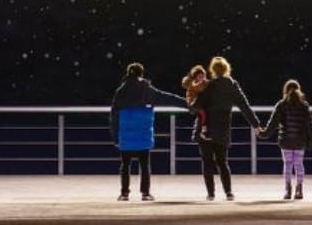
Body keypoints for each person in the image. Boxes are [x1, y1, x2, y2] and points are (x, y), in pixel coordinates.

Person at [110, 62, 187, 201]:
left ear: (128, 73)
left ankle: (124, 193)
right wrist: (188, 104)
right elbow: (168, 98)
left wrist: (115, 136)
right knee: (144, 164)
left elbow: (114, 115)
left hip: (126, 135)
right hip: (143, 134)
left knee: (125, 165)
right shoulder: (147, 89)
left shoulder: (121, 90)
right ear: (141, 73)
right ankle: (145, 193)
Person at [193, 56, 260, 201]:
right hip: (222, 130)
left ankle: (211, 194)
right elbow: (244, 106)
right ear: (226, 68)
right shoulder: (232, 85)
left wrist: (192, 94)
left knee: (207, 162)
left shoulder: (208, 85)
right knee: (222, 162)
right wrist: (255, 124)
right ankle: (228, 192)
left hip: (206, 130)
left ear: (212, 70)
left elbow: (195, 107)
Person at [258, 79, 312, 200]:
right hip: (300, 141)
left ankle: (288, 190)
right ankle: (299, 189)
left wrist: (263, 134)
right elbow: (309, 125)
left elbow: (273, 123)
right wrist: (310, 142)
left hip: (286, 141)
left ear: (285, 90)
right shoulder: (304, 105)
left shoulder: (281, 104)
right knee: (299, 164)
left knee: (287, 164)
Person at [181, 64, 210, 139]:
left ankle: (201, 132)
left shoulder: (205, 83)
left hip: (201, 104)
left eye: (203, 76)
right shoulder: (193, 85)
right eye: (200, 76)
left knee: (203, 115)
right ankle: (204, 129)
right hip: (194, 104)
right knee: (203, 114)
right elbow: (193, 93)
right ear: (196, 77)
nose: (202, 78)